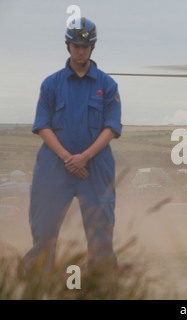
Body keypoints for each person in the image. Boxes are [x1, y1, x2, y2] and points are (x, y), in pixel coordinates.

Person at [23, 17, 122, 272]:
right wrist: (68, 157)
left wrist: (84, 157)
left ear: (93, 47)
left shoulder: (108, 86)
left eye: (85, 46)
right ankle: (37, 284)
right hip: (54, 166)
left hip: (95, 167)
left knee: (101, 235)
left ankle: (104, 287)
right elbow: (42, 126)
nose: (80, 50)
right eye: (76, 46)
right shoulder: (51, 84)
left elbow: (111, 128)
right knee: (44, 231)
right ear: (68, 46)